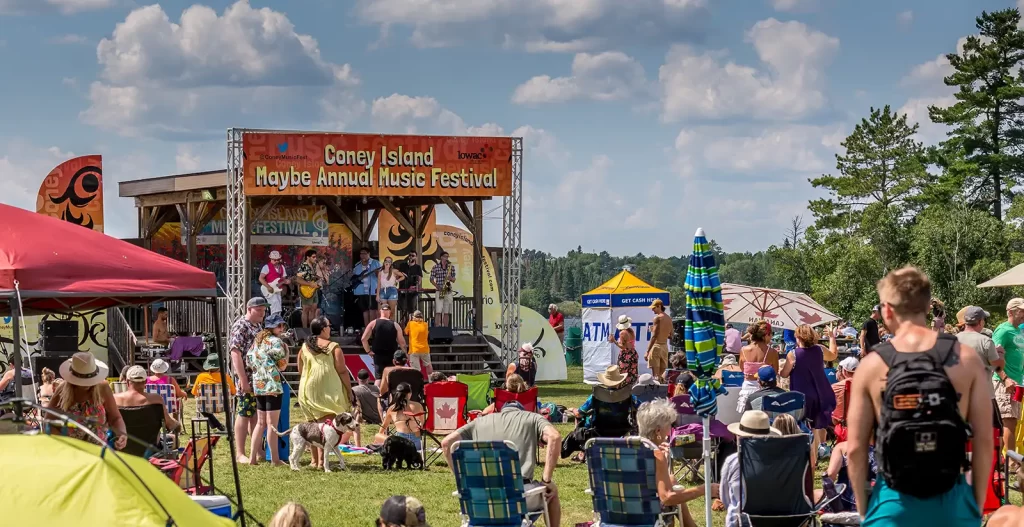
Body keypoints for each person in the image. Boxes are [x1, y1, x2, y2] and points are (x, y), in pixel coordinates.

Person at [848, 267, 992, 526]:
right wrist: (974, 506)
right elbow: (983, 440)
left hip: (892, 501)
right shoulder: (966, 359)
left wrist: (863, 511)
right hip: (952, 499)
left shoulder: (872, 365)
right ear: (928, 307)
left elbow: (856, 448)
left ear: (887, 310)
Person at [442, 401, 563, 527]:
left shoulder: (479, 422)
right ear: (521, 411)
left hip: (480, 498)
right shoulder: (532, 418)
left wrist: (462, 483)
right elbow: (554, 437)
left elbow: (446, 443)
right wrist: (546, 481)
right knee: (551, 494)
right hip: (517, 497)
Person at [637, 399, 718, 527]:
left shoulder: (624, 449)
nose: (671, 430)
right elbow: (667, 498)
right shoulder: (656, 455)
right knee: (673, 488)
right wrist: (704, 489)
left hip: (622, 513)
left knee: (672, 479)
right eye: (670, 425)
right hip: (649, 518)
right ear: (658, 431)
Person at [297, 316, 355, 469]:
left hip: (307, 388)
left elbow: (300, 369)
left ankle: (314, 461)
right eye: (329, 325)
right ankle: (322, 462)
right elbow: (342, 371)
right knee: (327, 426)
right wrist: (349, 391)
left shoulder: (305, 346)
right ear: (323, 328)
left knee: (312, 426)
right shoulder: (334, 346)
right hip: (327, 388)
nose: (330, 328)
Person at [780, 324, 837, 467]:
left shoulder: (793, 354)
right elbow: (834, 354)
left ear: (798, 337)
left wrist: (781, 369)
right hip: (821, 391)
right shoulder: (820, 350)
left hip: (803, 394)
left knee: (808, 427)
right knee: (818, 424)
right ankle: (820, 449)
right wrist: (831, 337)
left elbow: (784, 374)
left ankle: (813, 458)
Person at [47, 352, 127, 449]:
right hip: (70, 452)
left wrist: (121, 434)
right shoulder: (62, 390)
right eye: (82, 379)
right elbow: (49, 421)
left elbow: (115, 418)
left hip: (98, 452)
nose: (86, 384)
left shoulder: (103, 388)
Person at [720, 410, 782, 527]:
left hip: (741, 522)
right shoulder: (781, 460)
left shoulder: (733, 462)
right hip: (778, 521)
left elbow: (726, 499)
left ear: (739, 436)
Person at [247, 313, 290, 466]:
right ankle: (275, 459)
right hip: (273, 385)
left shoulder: (257, 342)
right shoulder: (276, 342)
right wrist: (287, 351)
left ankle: (252, 458)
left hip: (259, 386)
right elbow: (282, 365)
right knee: (272, 424)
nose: (282, 328)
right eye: (280, 325)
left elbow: (249, 361)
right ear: (274, 328)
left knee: (260, 423)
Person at [229, 297, 267, 464]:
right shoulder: (241, 326)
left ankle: (257, 450)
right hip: (247, 377)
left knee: (255, 415)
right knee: (244, 413)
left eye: (264, 310)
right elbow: (235, 353)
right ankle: (240, 453)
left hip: (259, 377)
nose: (262, 313)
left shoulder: (258, 326)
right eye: (259, 310)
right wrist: (243, 379)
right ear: (249, 309)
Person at [992, 298, 1024, 458]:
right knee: (1009, 421)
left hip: (1017, 383)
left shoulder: (1019, 330)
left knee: (1013, 422)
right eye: (1021, 311)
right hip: (1005, 382)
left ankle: (1001, 462)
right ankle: (1010, 463)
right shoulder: (1003, 330)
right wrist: (1005, 378)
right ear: (1010, 312)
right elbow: (993, 356)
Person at [115, 365, 180, 432]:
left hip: (123, 441)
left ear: (127, 382)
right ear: (145, 381)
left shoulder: (115, 399)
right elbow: (170, 424)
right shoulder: (156, 400)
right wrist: (177, 425)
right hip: (151, 442)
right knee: (173, 437)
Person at [737, 320, 778, 413]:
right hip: (765, 390)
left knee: (747, 421)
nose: (771, 337)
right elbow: (774, 372)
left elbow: (742, 368)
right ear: (765, 335)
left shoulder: (743, 350)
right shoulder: (772, 352)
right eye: (771, 334)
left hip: (747, 389)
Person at [362, 304, 407, 380]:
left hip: (378, 355)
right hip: (391, 355)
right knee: (391, 378)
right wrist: (405, 354)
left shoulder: (373, 323)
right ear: (389, 312)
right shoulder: (395, 325)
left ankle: (377, 392)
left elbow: (363, 339)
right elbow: (402, 343)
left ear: (380, 311)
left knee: (379, 379)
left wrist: (368, 351)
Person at [378, 382, 425, 449]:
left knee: (378, 435)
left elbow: (384, 425)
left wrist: (378, 437)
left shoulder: (392, 408)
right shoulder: (418, 405)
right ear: (409, 394)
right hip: (416, 442)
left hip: (400, 442)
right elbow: (423, 423)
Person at [353, 247, 382, 327]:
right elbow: (355, 277)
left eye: (364, 253)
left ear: (369, 254)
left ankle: (373, 328)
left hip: (373, 291)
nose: (362, 255)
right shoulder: (357, 265)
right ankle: (367, 328)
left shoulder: (376, 263)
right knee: (365, 310)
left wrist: (377, 273)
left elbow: (381, 277)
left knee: (373, 310)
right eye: (361, 254)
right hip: (361, 291)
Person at [294, 249, 323, 329]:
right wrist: (309, 284)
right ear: (308, 257)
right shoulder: (303, 266)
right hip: (305, 291)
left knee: (313, 309)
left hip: (313, 290)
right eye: (313, 257)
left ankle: (311, 328)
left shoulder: (313, 266)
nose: (315, 258)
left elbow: (312, 278)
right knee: (306, 310)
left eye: (315, 257)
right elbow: (298, 279)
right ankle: (304, 329)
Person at [608, 315, 639, 387]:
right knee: (632, 373)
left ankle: (622, 390)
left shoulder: (623, 333)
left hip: (626, 355)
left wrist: (614, 341)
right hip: (633, 353)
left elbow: (623, 346)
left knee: (623, 374)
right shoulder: (630, 331)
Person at [647, 299, 672, 383]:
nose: (652, 310)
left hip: (657, 346)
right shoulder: (669, 318)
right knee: (662, 376)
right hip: (665, 347)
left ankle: (656, 394)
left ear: (659, 306)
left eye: (654, 308)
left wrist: (647, 351)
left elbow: (654, 336)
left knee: (656, 376)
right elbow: (671, 336)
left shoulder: (657, 318)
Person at [259, 250, 290, 317]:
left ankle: (276, 321)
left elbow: (283, 279)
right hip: (269, 289)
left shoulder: (282, 267)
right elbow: (261, 278)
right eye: (274, 260)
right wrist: (268, 287)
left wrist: (286, 281)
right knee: (275, 304)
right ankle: (274, 322)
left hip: (277, 289)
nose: (276, 261)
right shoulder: (266, 267)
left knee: (278, 306)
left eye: (277, 260)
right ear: (271, 259)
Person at [430, 251, 457, 328]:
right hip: (440, 290)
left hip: (448, 290)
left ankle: (446, 329)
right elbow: (431, 279)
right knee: (438, 310)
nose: (446, 258)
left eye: (447, 257)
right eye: (445, 256)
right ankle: (437, 328)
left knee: (446, 311)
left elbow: (454, 279)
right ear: (441, 257)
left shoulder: (451, 267)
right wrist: (437, 286)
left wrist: (450, 278)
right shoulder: (435, 267)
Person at [376, 257, 407, 321]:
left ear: (391, 263)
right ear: (384, 262)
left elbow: (403, 276)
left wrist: (397, 280)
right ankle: (383, 327)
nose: (387, 262)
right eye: (386, 261)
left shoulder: (394, 271)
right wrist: (377, 295)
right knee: (381, 312)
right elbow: (379, 284)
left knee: (392, 312)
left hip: (392, 290)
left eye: (389, 261)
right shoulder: (380, 272)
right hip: (382, 290)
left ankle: (392, 327)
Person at [395, 253, 422, 324]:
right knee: (402, 309)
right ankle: (403, 326)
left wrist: (416, 286)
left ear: (416, 257)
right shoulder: (403, 266)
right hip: (402, 290)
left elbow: (419, 279)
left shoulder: (418, 267)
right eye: (410, 255)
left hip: (413, 291)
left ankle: (411, 324)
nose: (411, 257)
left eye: (413, 256)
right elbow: (398, 276)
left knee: (412, 309)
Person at [832, 356, 858, 426]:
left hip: (843, 428)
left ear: (845, 371)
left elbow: (835, 419)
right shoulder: (867, 384)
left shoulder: (836, 387)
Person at [404, 310, 431, 378]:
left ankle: (417, 382)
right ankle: (431, 380)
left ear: (414, 317)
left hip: (414, 350)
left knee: (416, 369)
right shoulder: (425, 324)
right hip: (425, 349)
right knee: (428, 365)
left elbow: (405, 332)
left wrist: (410, 320)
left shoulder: (410, 323)